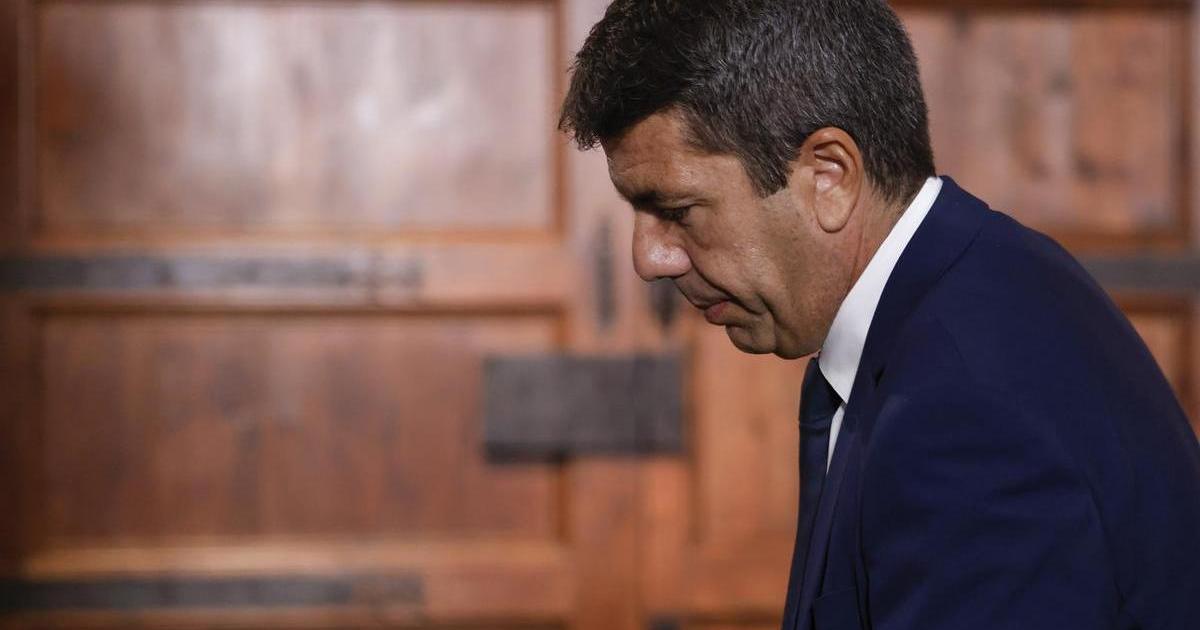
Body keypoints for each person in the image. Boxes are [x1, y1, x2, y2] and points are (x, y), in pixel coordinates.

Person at [557, 1, 1200, 629]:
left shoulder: (963, 408)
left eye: (676, 210)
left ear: (829, 176)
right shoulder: (976, 289)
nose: (649, 259)